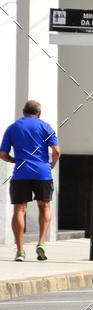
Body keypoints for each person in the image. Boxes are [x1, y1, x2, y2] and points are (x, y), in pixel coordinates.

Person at [0, 100, 60, 261]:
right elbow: (56, 151)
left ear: (23, 111)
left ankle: (20, 250)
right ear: (38, 113)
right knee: (45, 206)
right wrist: (51, 165)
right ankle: (41, 242)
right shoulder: (45, 127)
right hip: (43, 173)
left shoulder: (13, 128)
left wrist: (15, 161)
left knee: (19, 210)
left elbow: (2, 154)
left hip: (21, 173)